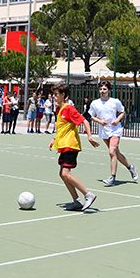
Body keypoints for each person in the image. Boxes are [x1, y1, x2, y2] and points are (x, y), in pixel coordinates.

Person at [49, 83, 99, 211]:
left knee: (65, 173)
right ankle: (76, 201)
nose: (54, 96)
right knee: (62, 174)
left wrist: (89, 136)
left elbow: (85, 121)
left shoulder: (69, 109)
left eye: (56, 94)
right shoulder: (59, 109)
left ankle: (88, 194)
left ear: (63, 95)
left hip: (70, 145)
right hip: (63, 145)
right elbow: (61, 128)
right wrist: (54, 139)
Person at [88, 83, 138, 186]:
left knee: (111, 152)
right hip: (104, 131)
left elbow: (122, 112)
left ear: (108, 90)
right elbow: (91, 116)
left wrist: (117, 120)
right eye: (101, 89)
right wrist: (99, 121)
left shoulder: (115, 101)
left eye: (104, 89)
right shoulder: (95, 103)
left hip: (115, 130)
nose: (102, 91)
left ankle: (112, 177)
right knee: (116, 153)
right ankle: (130, 167)